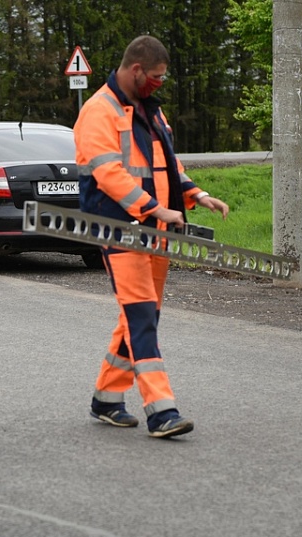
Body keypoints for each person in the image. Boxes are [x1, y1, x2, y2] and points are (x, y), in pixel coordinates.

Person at [73, 35, 230, 439]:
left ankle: (107, 398)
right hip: (121, 230)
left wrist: (197, 194)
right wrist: (153, 208)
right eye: (157, 77)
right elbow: (109, 174)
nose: (161, 83)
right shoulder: (98, 111)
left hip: (156, 232)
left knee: (140, 316)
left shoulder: (150, 112)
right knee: (141, 315)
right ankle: (162, 412)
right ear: (136, 70)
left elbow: (167, 164)